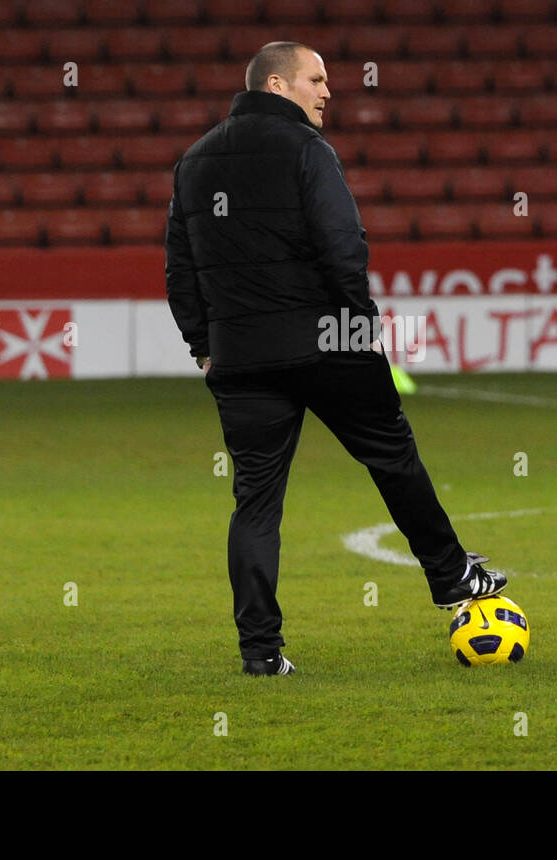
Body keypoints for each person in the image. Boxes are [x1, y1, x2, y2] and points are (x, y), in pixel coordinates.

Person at [165, 42, 505, 675]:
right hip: (325, 339)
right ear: (276, 83)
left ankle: (261, 652)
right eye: (316, 80)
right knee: (390, 451)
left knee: (256, 502)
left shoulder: (194, 161)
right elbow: (344, 247)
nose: (327, 92)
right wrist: (357, 326)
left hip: (240, 357)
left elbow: (179, 270)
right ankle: (452, 576)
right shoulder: (307, 150)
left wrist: (205, 349)